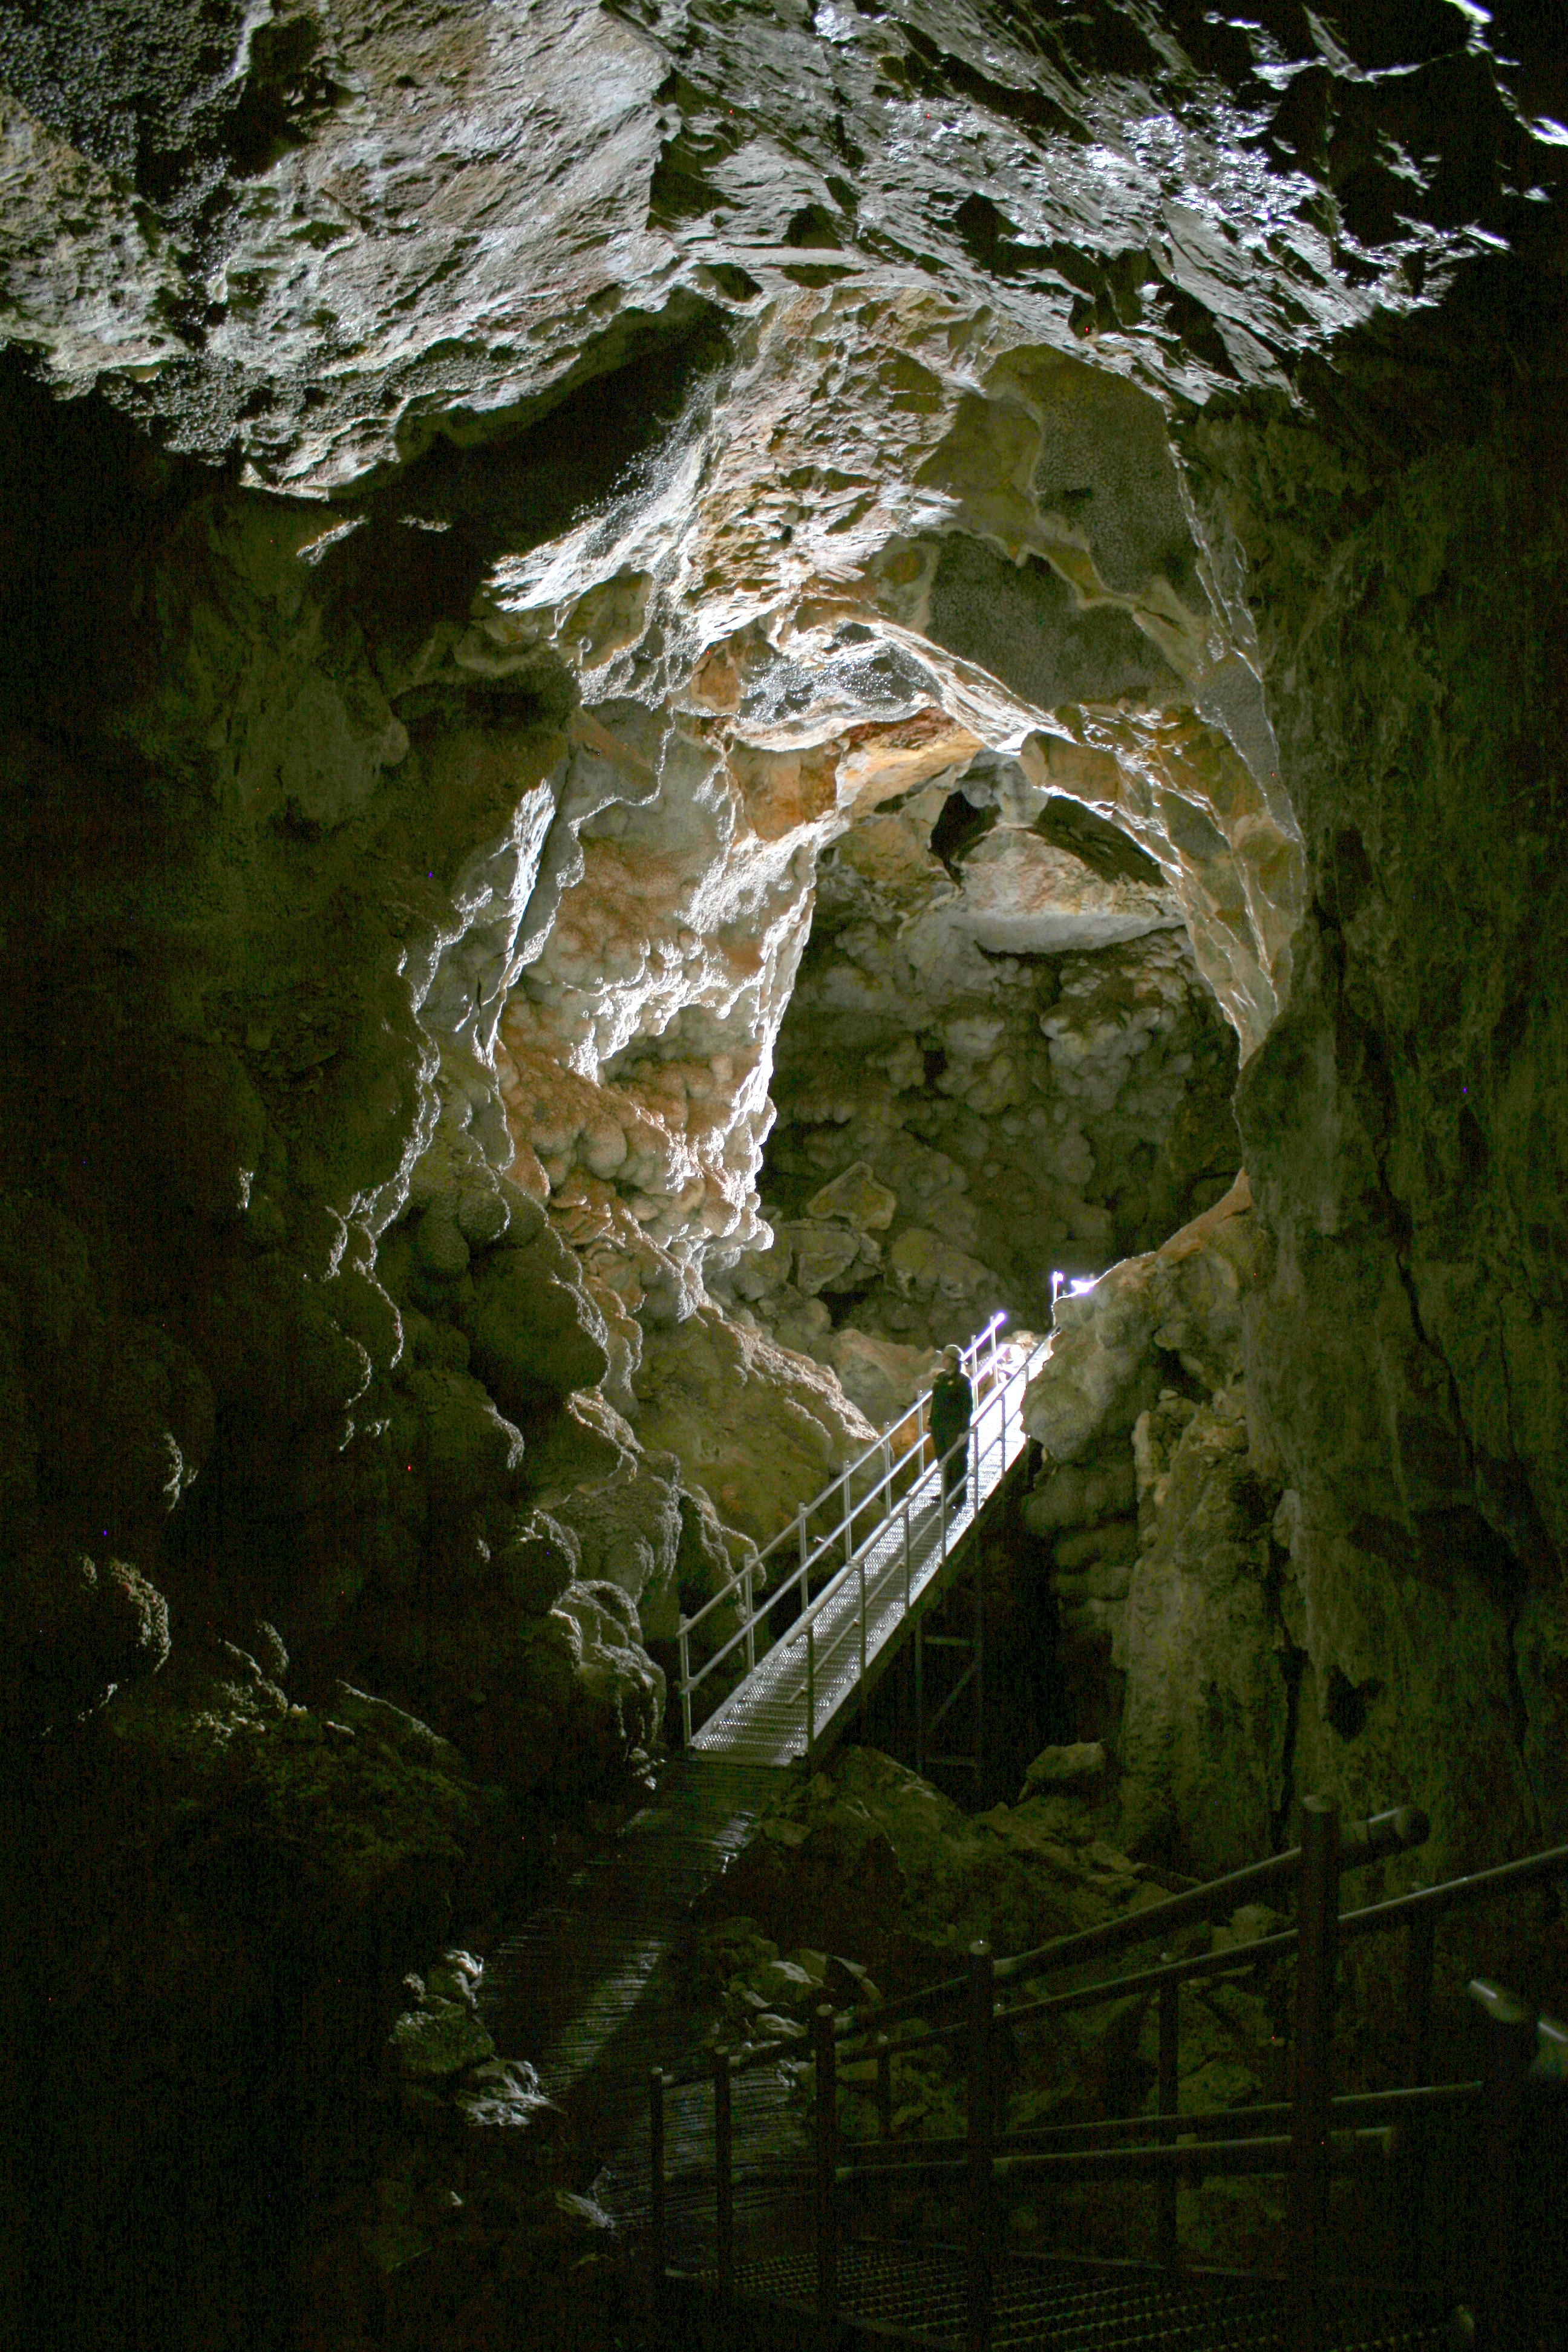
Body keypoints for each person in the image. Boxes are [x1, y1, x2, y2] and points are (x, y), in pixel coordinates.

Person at [929, 1344, 974, 1512]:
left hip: (954, 1428)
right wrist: (930, 1422)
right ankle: (946, 1493)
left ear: (955, 1362)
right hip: (939, 1427)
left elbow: (967, 1408)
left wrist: (964, 1431)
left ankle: (960, 1496)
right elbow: (936, 1402)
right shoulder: (940, 1379)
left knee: (958, 1461)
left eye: (947, 1358)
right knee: (943, 1460)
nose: (943, 1361)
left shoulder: (962, 1382)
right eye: (943, 1357)